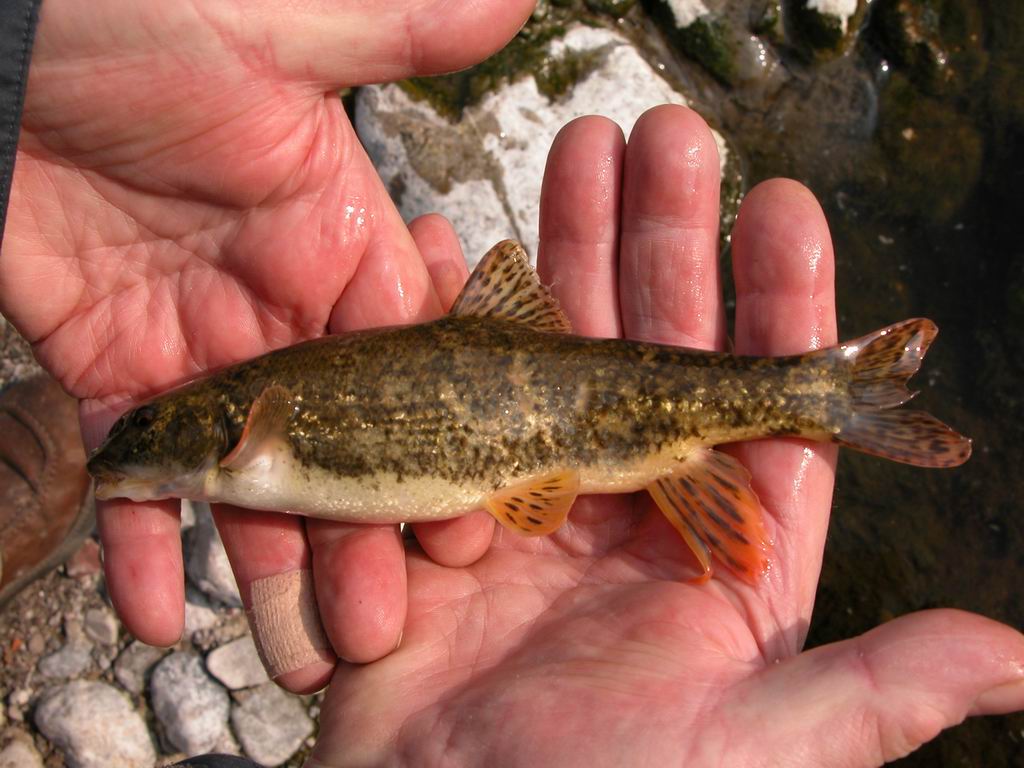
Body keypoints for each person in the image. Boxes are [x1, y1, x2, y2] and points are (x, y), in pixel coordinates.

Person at [1, 1, 1022, 766]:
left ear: (223, 429)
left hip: (589, 424)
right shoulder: (237, 429)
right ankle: (822, 395)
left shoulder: (251, 425)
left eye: (151, 430)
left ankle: (824, 396)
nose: (130, 447)